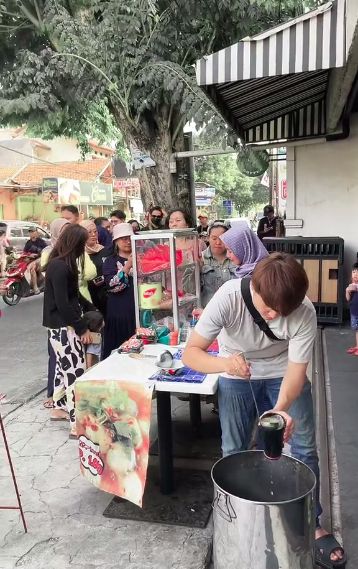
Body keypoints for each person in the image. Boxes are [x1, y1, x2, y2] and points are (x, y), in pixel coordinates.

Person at [183, 253, 346, 567]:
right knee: (234, 450)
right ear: (254, 290)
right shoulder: (228, 298)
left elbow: (297, 371)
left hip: (282, 372)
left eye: (282, 311)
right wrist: (225, 363)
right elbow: (192, 354)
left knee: (303, 448)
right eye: (268, 308)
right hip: (235, 373)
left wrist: (280, 409)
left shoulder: (304, 311)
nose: (273, 317)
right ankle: (240, 521)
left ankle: (310, 523)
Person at [43, 224, 92, 438]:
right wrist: (82, 327)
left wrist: (91, 308)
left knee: (63, 371)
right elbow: (64, 304)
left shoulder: (62, 264)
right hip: (65, 327)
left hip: (60, 327)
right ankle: (76, 423)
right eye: (83, 243)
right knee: (75, 373)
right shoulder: (61, 267)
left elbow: (74, 297)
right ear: (76, 244)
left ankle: (60, 407)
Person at [41, 218, 70, 410]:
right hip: (59, 317)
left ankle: (64, 398)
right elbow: (60, 298)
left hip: (72, 312)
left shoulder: (71, 254)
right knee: (58, 357)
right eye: (64, 231)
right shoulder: (52, 257)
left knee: (68, 361)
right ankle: (54, 396)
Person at [183, 221, 237, 308]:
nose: (218, 243)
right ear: (208, 238)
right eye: (214, 238)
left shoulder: (236, 258)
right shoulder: (199, 258)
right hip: (207, 311)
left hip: (233, 311)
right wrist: (197, 269)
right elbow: (188, 290)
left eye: (222, 238)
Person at [102, 223, 136, 359]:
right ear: (116, 241)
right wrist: (127, 266)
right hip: (119, 313)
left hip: (139, 312)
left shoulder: (142, 257)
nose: (127, 241)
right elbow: (112, 285)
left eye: (130, 238)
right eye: (123, 239)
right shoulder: (110, 262)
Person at [80, 219, 112, 316]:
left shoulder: (105, 251)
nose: (93, 234)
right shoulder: (79, 254)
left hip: (107, 296)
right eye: (89, 232)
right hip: (89, 297)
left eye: (95, 231)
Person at [24, 228, 47, 294]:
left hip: (40, 260)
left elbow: (46, 251)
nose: (31, 233)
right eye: (30, 232)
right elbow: (24, 252)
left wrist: (37, 255)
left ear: (36, 233)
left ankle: (35, 287)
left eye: (32, 232)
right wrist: (29, 255)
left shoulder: (41, 242)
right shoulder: (28, 243)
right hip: (31, 260)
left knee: (33, 269)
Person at [345, 261, 358, 355]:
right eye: (354, 272)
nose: (355, 274)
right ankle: (357, 346)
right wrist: (347, 291)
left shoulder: (355, 286)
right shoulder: (351, 285)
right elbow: (348, 299)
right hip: (354, 311)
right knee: (356, 330)